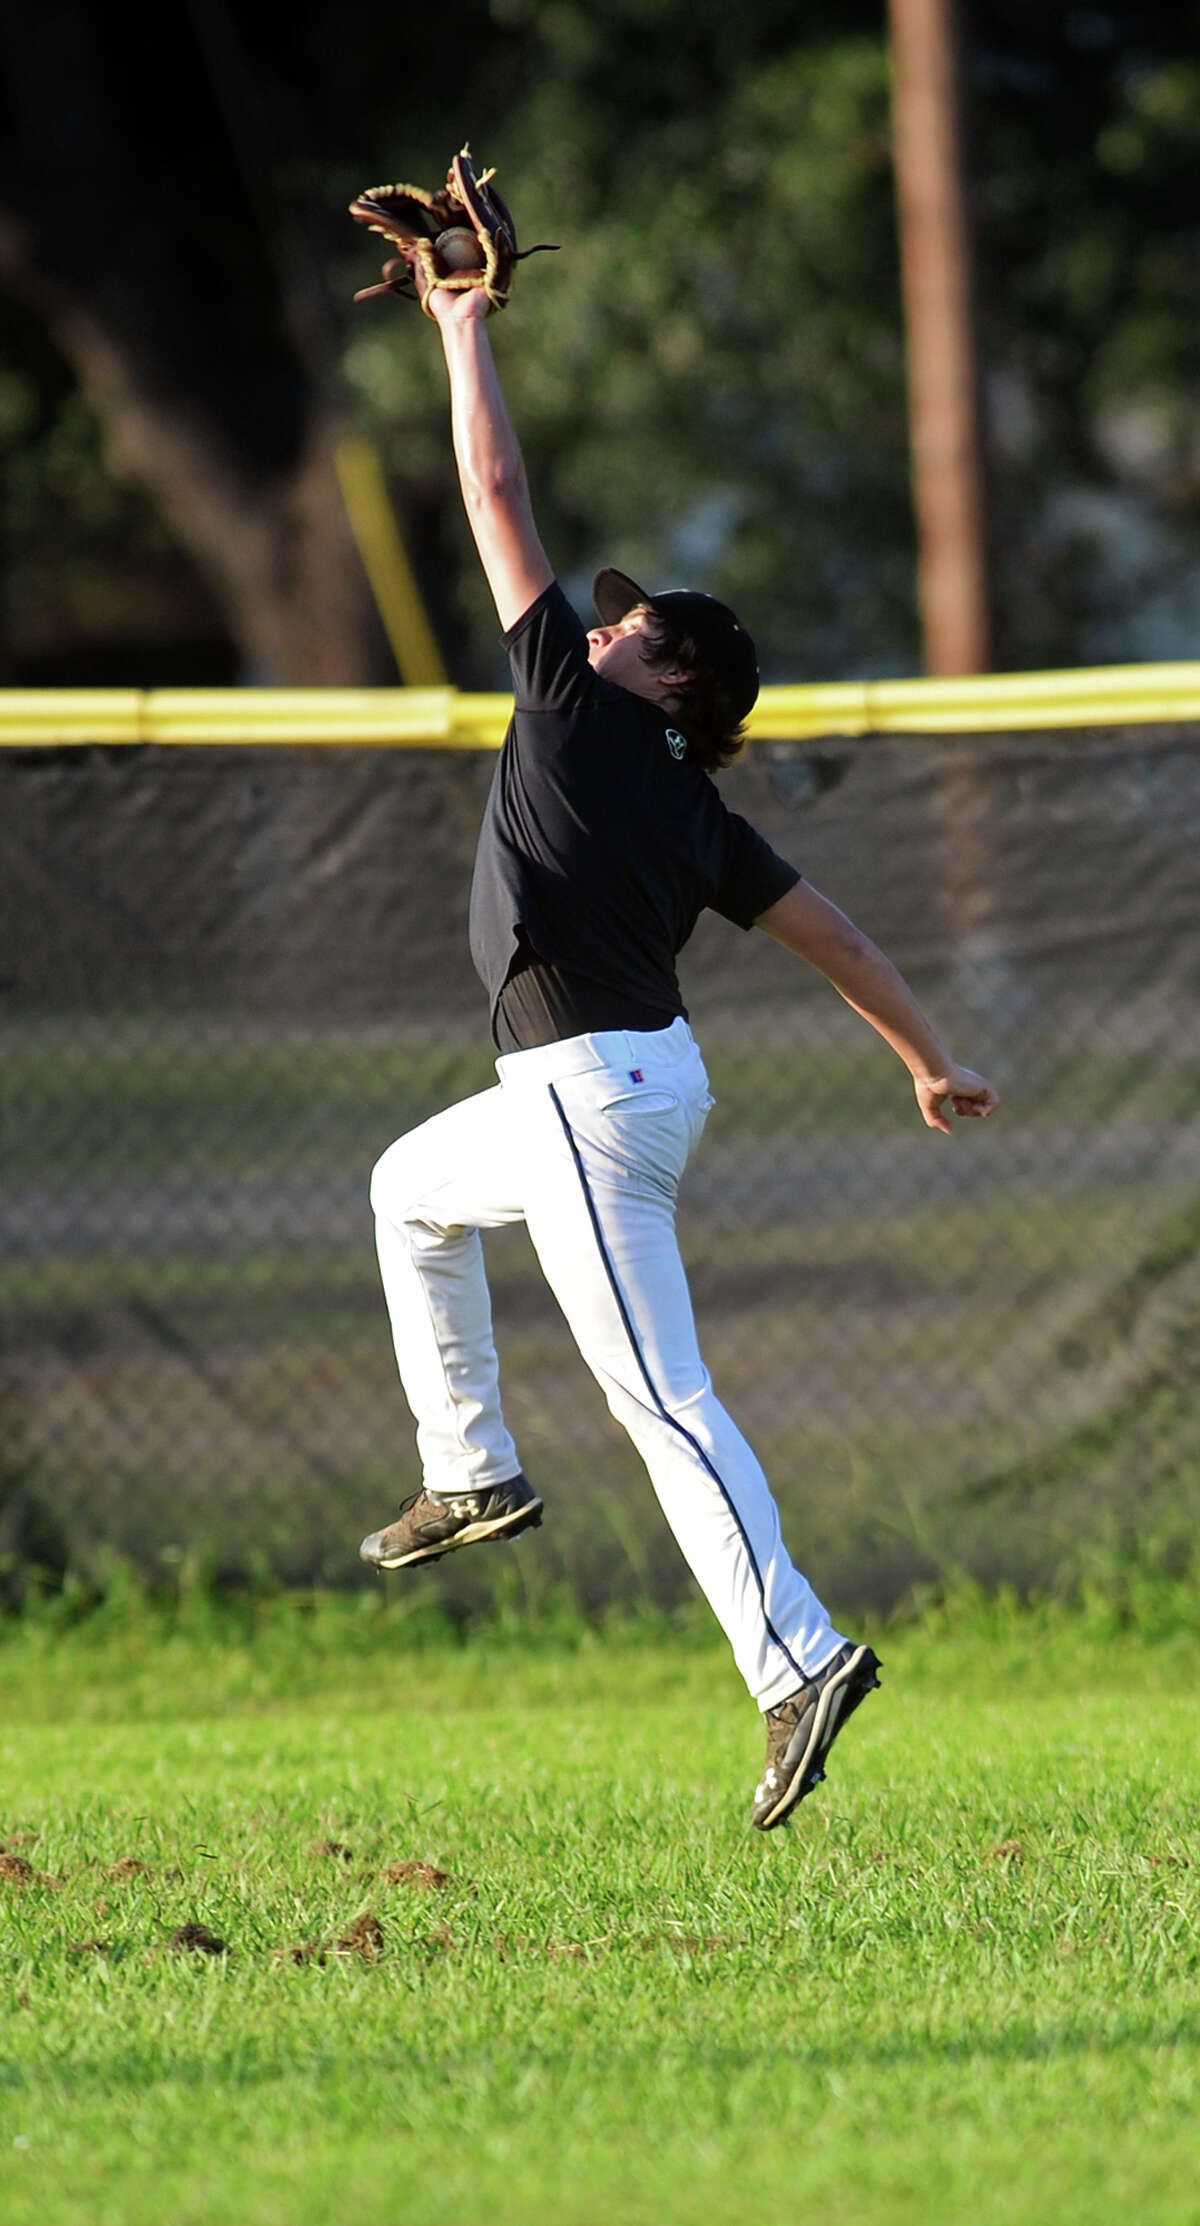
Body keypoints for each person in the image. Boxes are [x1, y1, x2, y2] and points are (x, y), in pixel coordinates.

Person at [360, 282, 999, 1832]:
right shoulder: (699, 810)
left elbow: (492, 491)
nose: (600, 620)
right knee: (407, 1189)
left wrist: (461, 326)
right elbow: (835, 935)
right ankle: (475, 1470)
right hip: (611, 1088)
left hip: (592, 1091)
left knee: (662, 1397)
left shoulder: (577, 711)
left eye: (632, 622)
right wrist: (925, 1056)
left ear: (673, 677)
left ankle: (800, 1659)